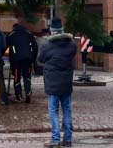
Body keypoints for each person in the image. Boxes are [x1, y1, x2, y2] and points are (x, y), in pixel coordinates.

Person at [37, 18, 75, 148]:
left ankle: (55, 139)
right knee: (67, 109)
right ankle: (68, 139)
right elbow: (73, 53)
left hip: (52, 83)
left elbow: (40, 59)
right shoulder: (71, 44)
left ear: (52, 31)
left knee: (53, 110)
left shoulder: (47, 45)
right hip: (66, 83)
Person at [6, 22, 38, 103]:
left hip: (16, 60)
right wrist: (33, 58)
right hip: (28, 59)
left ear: (14, 28)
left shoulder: (11, 34)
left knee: (17, 77)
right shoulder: (29, 34)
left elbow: (5, 46)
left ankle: (18, 96)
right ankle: (28, 92)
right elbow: (35, 47)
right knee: (27, 76)